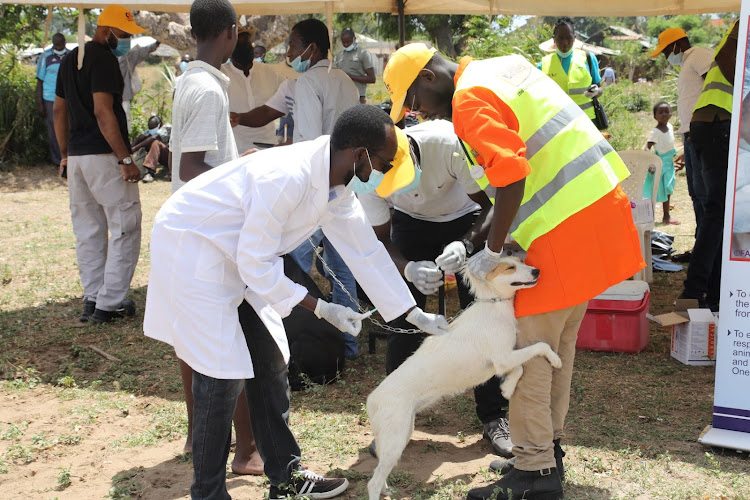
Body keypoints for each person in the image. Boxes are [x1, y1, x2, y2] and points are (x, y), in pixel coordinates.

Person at [143, 104, 449, 500]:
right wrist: (320, 308)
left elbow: (365, 251)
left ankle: (285, 478)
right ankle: (208, 493)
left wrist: (414, 314)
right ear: (360, 155)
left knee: (270, 359)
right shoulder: (288, 176)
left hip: (238, 256)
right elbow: (256, 263)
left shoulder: (335, 185)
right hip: (194, 248)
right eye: (385, 165)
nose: (385, 173)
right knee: (222, 374)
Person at [383, 43, 644, 500]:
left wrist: (494, 249)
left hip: (560, 228)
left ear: (428, 78)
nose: (417, 113)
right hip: (593, 211)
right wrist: (472, 243)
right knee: (554, 347)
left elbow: (510, 173)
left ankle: (535, 471)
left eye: (413, 102)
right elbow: (514, 175)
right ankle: (547, 452)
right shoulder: (500, 66)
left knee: (527, 351)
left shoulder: (467, 99)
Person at [358, 119, 513, 456]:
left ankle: (494, 416)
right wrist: (408, 268)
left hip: (465, 219)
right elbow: (379, 239)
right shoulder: (365, 174)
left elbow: (491, 204)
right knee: (403, 319)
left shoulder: (448, 145)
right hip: (409, 227)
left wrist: (466, 245)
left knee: (483, 317)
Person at [169, 0, 265, 479]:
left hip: (190, 231)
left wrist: (236, 163)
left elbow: (195, 159)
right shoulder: (208, 88)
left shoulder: (190, 80)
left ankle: (200, 434)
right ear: (230, 33)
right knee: (234, 341)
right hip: (210, 234)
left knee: (193, 342)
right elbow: (191, 168)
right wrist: (240, 180)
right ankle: (246, 450)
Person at [231, 18, 362, 357]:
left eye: (292, 45)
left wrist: (268, 155)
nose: (288, 53)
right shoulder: (345, 80)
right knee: (343, 263)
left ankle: (293, 342)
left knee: (293, 263)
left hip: (313, 186)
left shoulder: (307, 83)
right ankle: (348, 342)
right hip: (343, 183)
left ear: (312, 48)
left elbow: (308, 144)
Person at [54, 5, 145, 325]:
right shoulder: (104, 59)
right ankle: (110, 304)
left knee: (88, 231)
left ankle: (92, 298)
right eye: (123, 35)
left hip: (77, 158)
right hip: (105, 158)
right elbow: (103, 112)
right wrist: (126, 158)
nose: (127, 42)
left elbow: (59, 111)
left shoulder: (70, 59)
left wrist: (65, 154)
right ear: (106, 31)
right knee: (124, 227)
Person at [678, 20, 739, 313]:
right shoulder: (744, 23)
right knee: (718, 212)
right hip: (719, 124)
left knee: (721, 213)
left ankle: (713, 291)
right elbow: (728, 62)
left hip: (714, 125)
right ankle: (694, 291)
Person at [649, 27, 714, 261]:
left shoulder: (699, 55)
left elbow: (713, 87)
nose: (667, 58)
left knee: (705, 194)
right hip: (691, 135)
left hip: (703, 133)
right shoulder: (688, 62)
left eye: (667, 52)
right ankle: (702, 247)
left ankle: (709, 251)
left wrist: (704, 129)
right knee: (696, 193)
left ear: (676, 45)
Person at [222, 24, 285, 153]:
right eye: (238, 45)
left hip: (267, 148)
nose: (244, 49)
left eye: (247, 44)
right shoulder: (221, 74)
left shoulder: (270, 73)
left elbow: (288, 102)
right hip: (234, 151)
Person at [539, 17, 603, 125]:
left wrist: (596, 91)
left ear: (574, 38)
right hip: (558, 124)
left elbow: (600, 89)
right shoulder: (543, 65)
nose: (564, 42)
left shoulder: (588, 58)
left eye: (568, 37)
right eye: (560, 38)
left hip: (587, 123)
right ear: (554, 39)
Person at [36, 33, 69, 168]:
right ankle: (57, 160)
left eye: (61, 44)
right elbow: (39, 81)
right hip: (50, 98)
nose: (59, 47)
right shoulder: (45, 57)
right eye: (56, 45)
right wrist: (40, 104)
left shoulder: (71, 55)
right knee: (54, 130)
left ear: (65, 43)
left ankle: (70, 157)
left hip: (68, 98)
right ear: (53, 44)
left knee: (70, 128)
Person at [643, 101, 679, 225]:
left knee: (668, 189)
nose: (664, 114)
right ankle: (649, 216)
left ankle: (666, 216)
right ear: (655, 116)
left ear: (671, 114)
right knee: (655, 190)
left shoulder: (671, 127)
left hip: (669, 164)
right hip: (659, 164)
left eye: (667, 111)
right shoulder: (655, 132)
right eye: (660, 112)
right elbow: (647, 147)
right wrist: (650, 162)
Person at [118, 38, 159, 130]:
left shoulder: (128, 57)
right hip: (110, 96)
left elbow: (144, 51)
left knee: (125, 119)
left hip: (124, 96)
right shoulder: (106, 56)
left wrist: (157, 43)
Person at [334, 28, 375, 104]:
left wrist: (351, 77)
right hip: (342, 96)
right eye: (344, 42)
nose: (346, 45)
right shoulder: (339, 56)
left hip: (358, 97)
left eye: (348, 42)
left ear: (354, 39)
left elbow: (372, 79)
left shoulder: (363, 54)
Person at [131, 115, 171, 182]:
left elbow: (155, 137)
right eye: (150, 129)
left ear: (160, 124)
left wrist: (135, 148)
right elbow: (141, 137)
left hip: (172, 158)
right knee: (147, 142)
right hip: (164, 159)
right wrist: (130, 148)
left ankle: (150, 173)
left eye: (153, 128)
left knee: (155, 142)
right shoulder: (154, 129)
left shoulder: (167, 127)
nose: (151, 131)